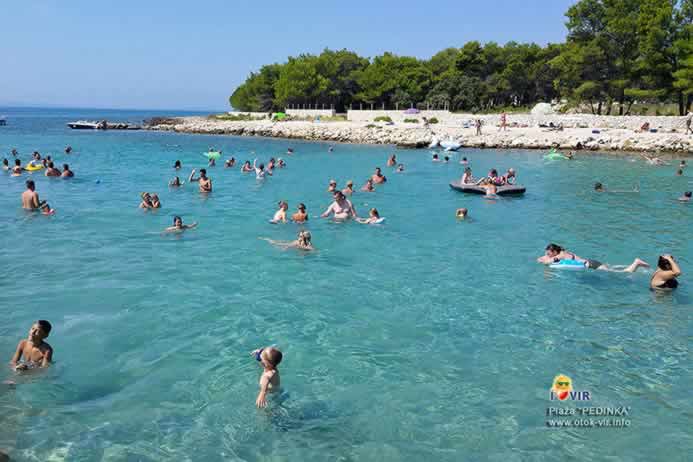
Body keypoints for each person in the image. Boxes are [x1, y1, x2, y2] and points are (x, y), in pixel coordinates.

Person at [537, 243, 649, 272]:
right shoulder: (563, 252)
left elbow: (548, 262)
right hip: (591, 262)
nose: (547, 255)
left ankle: (636, 263)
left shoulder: (561, 255)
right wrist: (542, 258)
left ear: (555, 252)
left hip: (591, 265)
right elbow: (546, 259)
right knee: (613, 268)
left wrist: (543, 260)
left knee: (621, 273)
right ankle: (636, 264)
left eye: (549, 253)